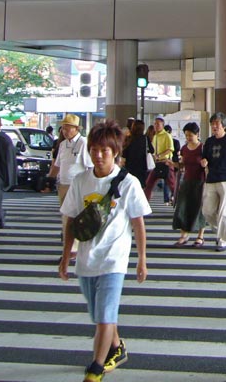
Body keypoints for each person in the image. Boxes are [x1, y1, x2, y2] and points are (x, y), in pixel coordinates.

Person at [59, 120, 150, 382]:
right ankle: (116, 348)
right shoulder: (80, 181)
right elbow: (70, 220)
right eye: (94, 150)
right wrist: (66, 257)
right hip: (87, 260)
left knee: (104, 316)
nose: (98, 156)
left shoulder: (128, 183)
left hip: (114, 260)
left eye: (105, 151)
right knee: (100, 315)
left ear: (116, 152)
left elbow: (138, 223)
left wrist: (142, 259)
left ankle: (96, 368)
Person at [200, 112, 226, 252]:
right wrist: (204, 162)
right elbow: (204, 159)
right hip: (211, 178)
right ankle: (220, 230)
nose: (214, 126)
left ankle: (223, 240)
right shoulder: (209, 141)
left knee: (224, 211)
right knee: (207, 210)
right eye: (212, 124)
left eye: (217, 124)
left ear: (224, 125)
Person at [50, 114, 93, 250]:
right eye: (63, 128)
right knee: (66, 217)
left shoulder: (83, 143)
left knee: (75, 217)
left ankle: (73, 249)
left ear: (76, 129)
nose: (64, 131)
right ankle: (70, 246)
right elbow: (57, 165)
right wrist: (49, 179)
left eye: (67, 128)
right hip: (63, 185)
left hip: (78, 186)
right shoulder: (62, 144)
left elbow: (90, 166)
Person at [173, 122, 207, 248]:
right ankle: (184, 234)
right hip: (187, 181)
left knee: (199, 208)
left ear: (197, 134)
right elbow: (182, 165)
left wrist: (205, 164)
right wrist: (173, 164)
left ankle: (200, 236)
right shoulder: (184, 148)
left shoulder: (203, 148)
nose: (188, 138)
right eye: (186, 135)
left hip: (200, 182)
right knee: (183, 207)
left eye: (190, 135)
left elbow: (207, 164)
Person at [144, 116, 177, 204]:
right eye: (155, 124)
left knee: (172, 185)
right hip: (156, 164)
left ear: (163, 125)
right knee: (148, 184)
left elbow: (170, 149)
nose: (156, 126)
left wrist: (159, 156)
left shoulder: (167, 135)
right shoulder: (155, 136)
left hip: (166, 163)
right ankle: (144, 204)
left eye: (158, 124)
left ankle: (179, 202)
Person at [120, 120, 149, 185]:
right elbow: (152, 150)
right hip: (142, 167)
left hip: (130, 167)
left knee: (130, 184)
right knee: (140, 186)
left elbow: (124, 153)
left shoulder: (129, 138)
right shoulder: (145, 139)